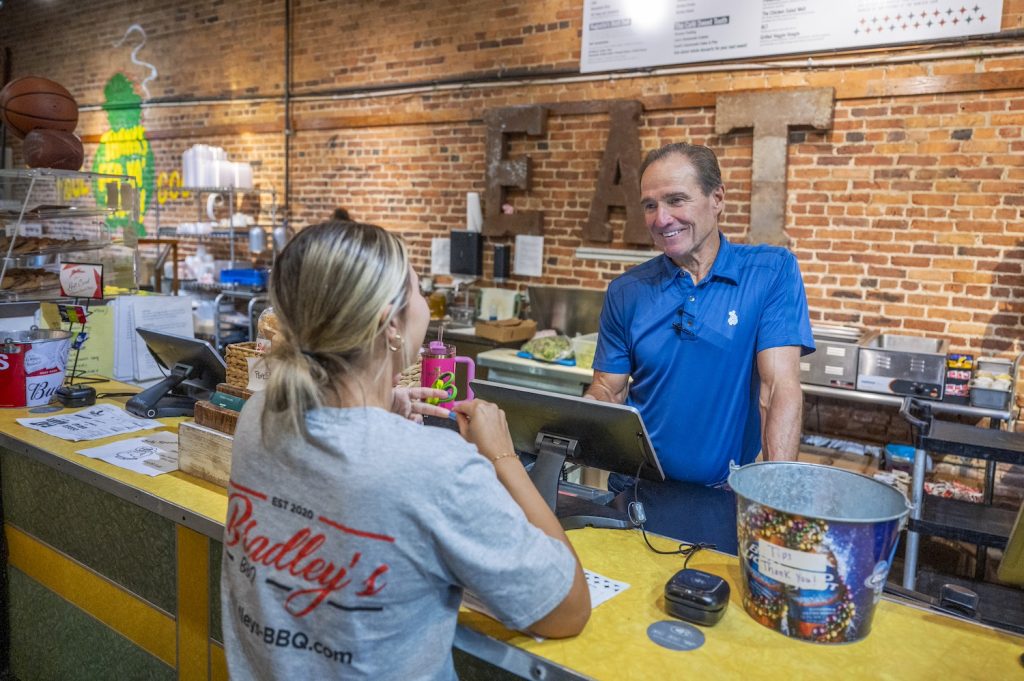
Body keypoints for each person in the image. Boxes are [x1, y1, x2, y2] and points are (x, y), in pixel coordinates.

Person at [221, 221, 590, 680]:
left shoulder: (260, 415)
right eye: (416, 290)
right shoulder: (435, 465)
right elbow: (566, 607)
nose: (423, 304)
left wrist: (379, 414)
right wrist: (501, 458)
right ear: (389, 324)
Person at [585, 143, 814, 487]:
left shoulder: (770, 272)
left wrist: (775, 494)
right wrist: (570, 417)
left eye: (676, 200)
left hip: (723, 492)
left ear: (717, 198)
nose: (661, 219)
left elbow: (778, 387)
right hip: (637, 487)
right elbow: (609, 389)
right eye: (650, 205)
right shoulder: (627, 290)